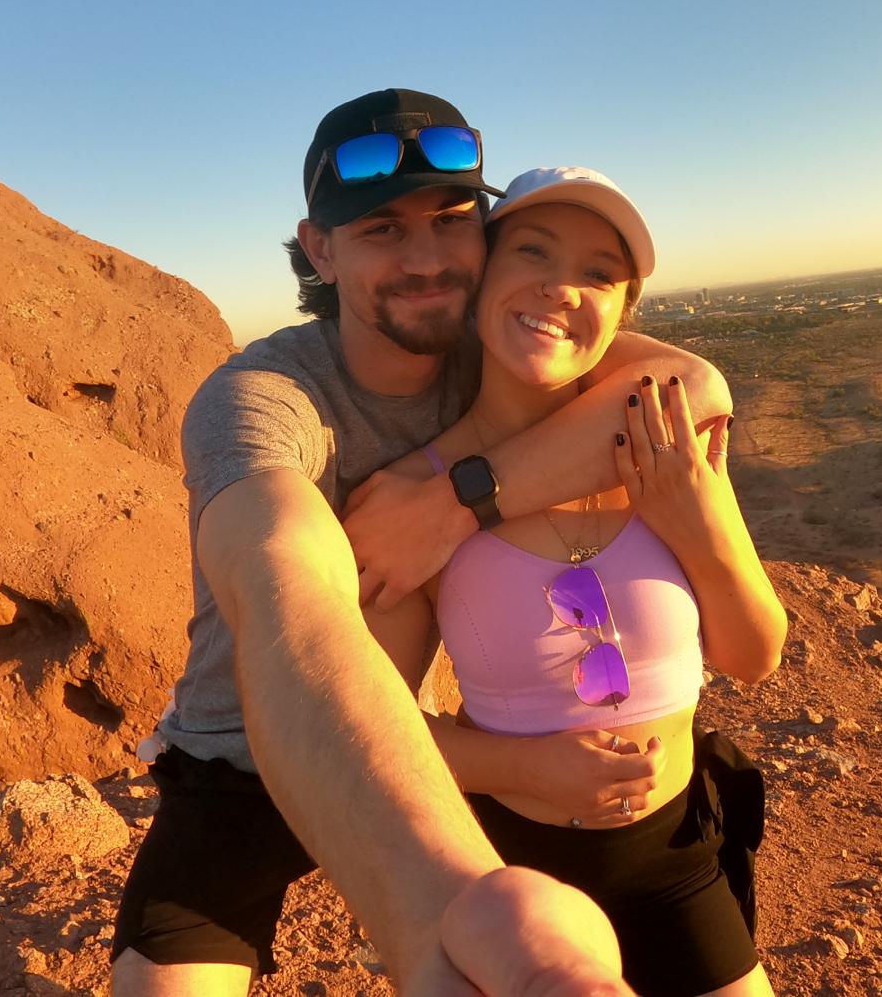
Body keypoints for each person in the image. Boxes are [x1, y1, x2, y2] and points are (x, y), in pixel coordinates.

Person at [110, 90, 731, 997]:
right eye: (381, 231)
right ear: (318, 247)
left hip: (424, 748)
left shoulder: (504, 355)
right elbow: (281, 576)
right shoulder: (264, 397)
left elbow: (694, 385)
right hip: (243, 754)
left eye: (451, 222)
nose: (428, 259)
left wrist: (453, 500)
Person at [367, 167, 788, 997]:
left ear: (623, 319)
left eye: (599, 274)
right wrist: (522, 770)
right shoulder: (408, 502)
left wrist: (701, 530)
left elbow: (753, 656)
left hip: (676, 860)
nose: (561, 288)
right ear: (482, 274)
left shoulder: (664, 453)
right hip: (516, 873)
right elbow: (370, 729)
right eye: (532, 251)